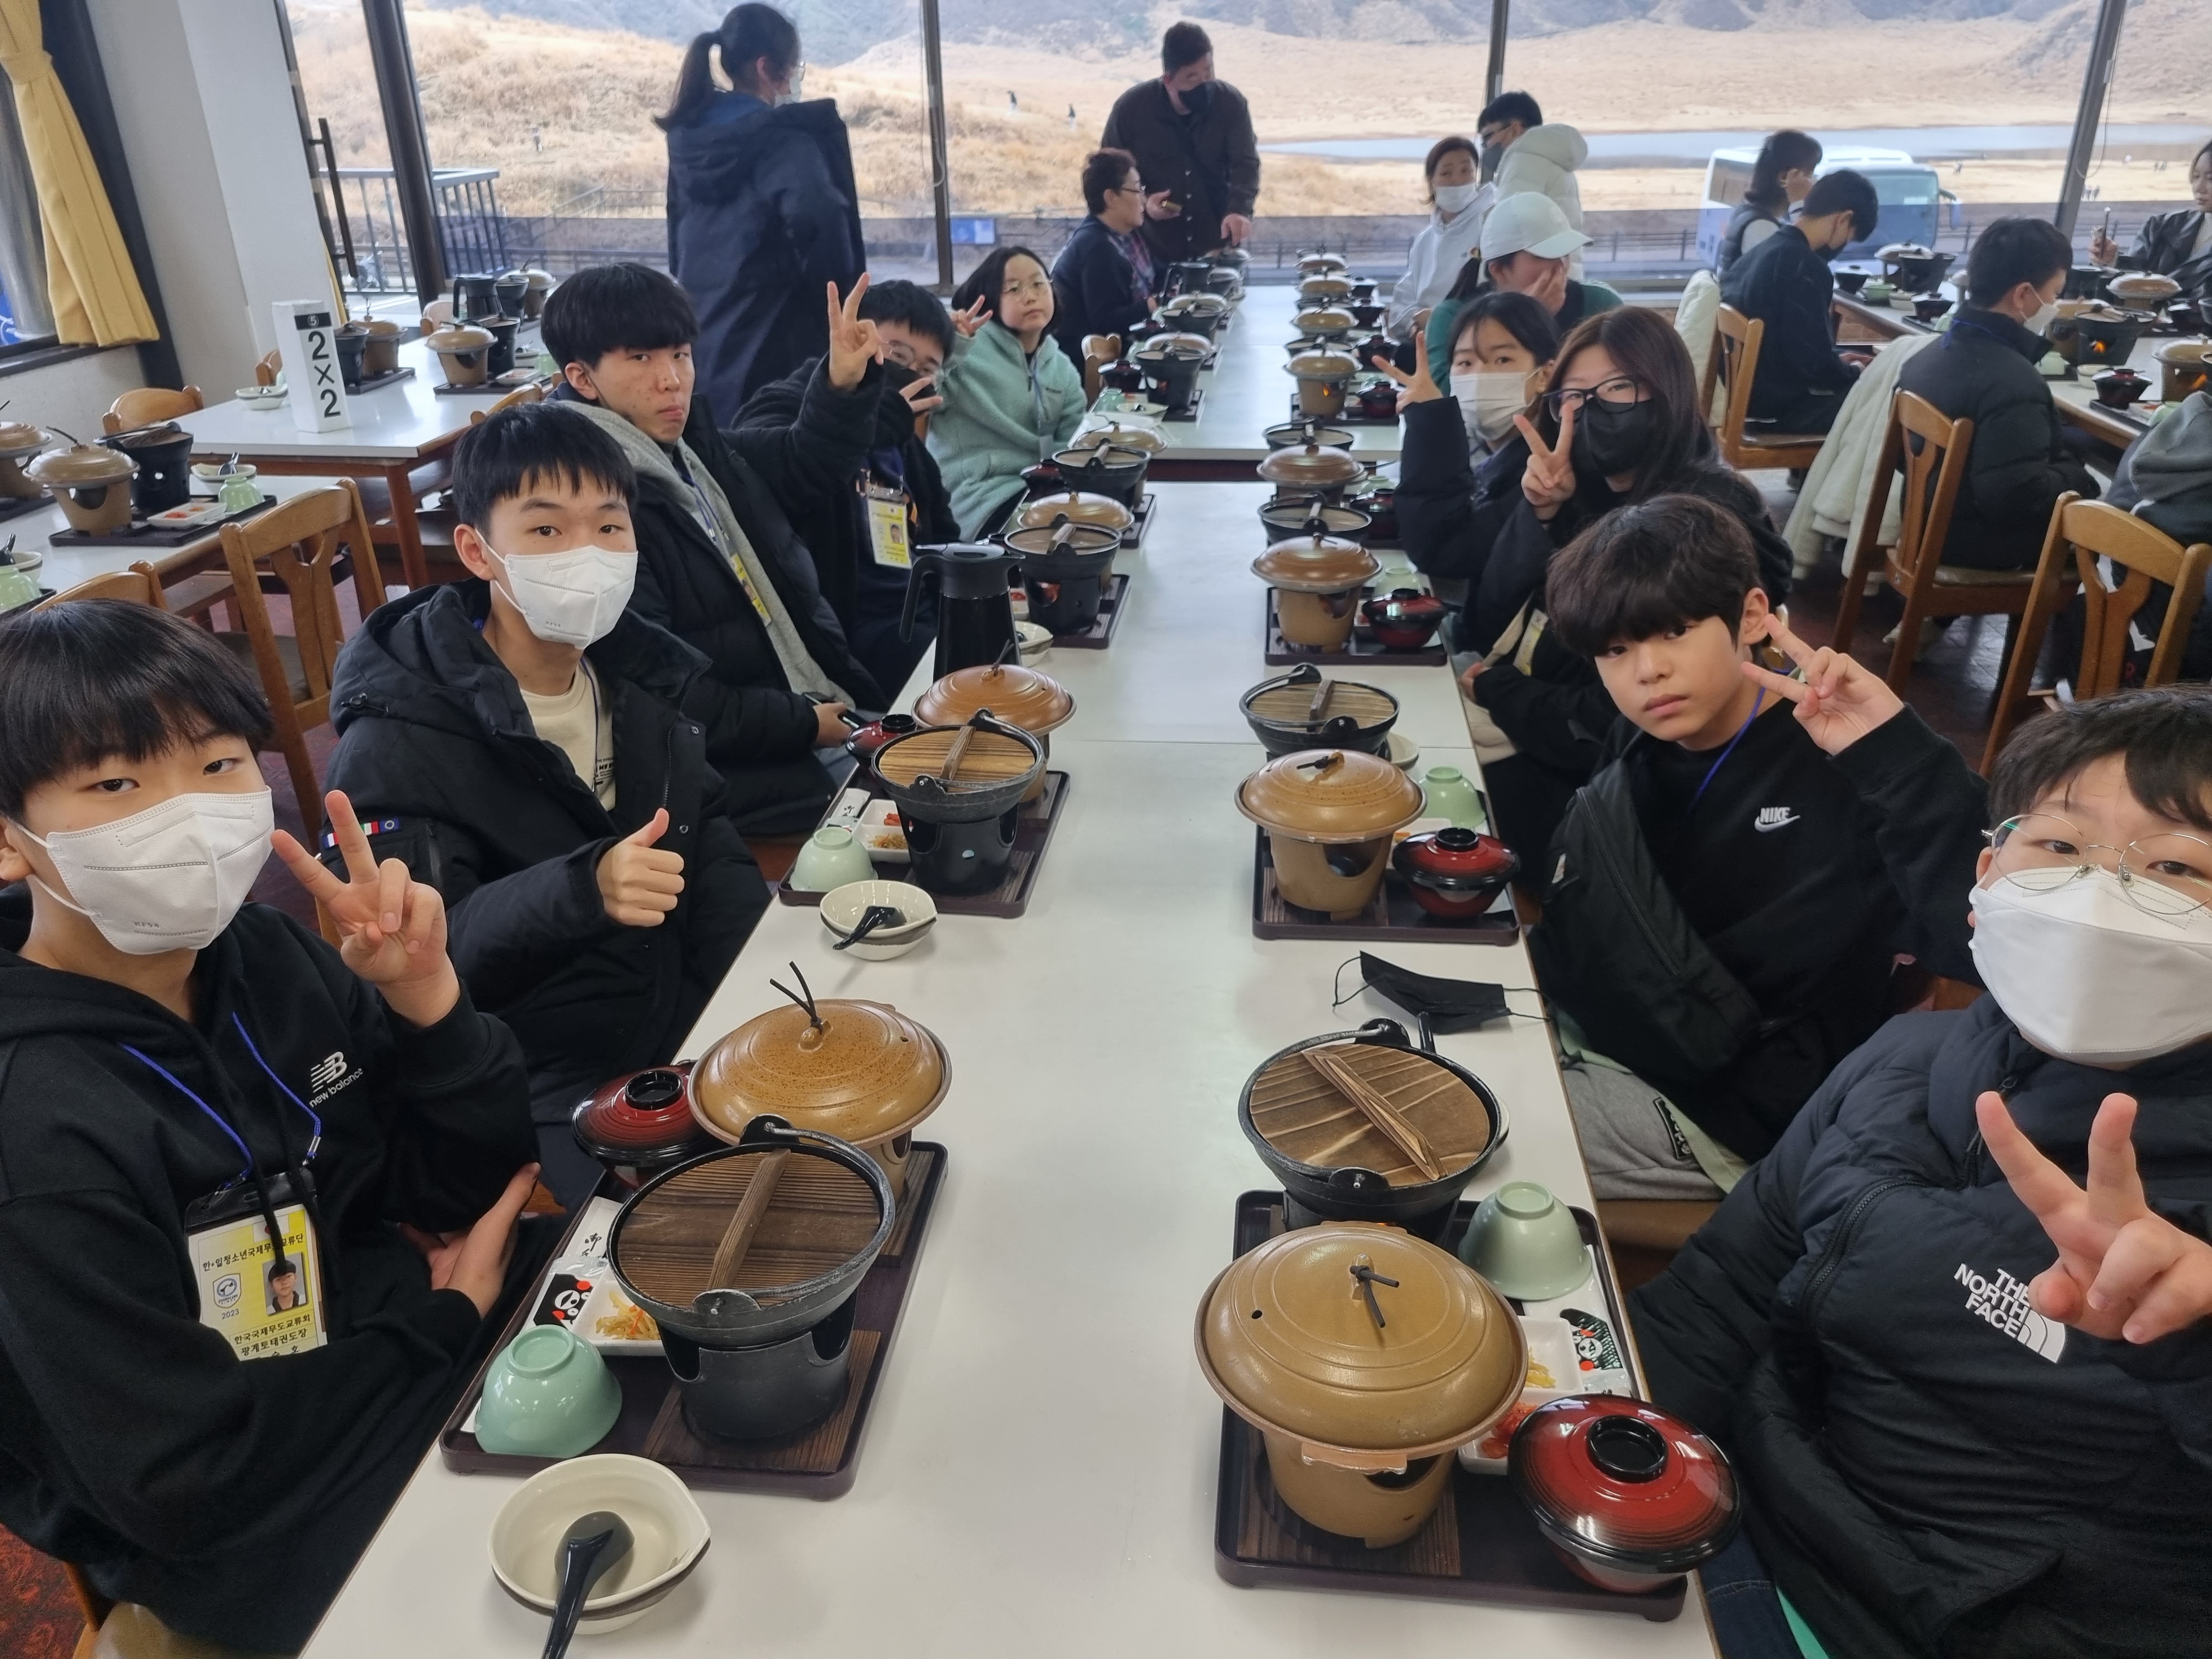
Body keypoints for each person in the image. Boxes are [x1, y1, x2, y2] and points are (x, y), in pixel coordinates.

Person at [0, 600, 542, 1653]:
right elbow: (185, 1476)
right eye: (116, 785)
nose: (189, 814)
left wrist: (427, 1000)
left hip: (386, 1353)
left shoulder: (271, 956)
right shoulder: (34, 1125)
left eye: (218, 764)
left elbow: (452, 1193)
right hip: (252, 1515)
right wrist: (440, 1326)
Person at [1634, 682, 2212, 1659]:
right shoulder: (1906, 1058)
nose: (2099, 900)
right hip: (1729, 1521)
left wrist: (2193, 1351)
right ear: (1985, 881)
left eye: (2173, 865)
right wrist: (1582, 1432)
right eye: (2060, 845)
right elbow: (1720, 1294)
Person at [324, 403, 772, 1205]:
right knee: (696, 1229)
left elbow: (707, 839)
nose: (586, 553)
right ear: (477, 551)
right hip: (538, 1074)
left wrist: (763, 990)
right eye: (545, 530)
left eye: (609, 526)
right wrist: (583, 887)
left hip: (675, 1021)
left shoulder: (638, 675)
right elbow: (425, 951)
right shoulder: (401, 736)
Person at [1532, 495, 1988, 1195]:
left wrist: (1901, 758)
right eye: (1615, 650)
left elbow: (1981, 939)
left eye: (1675, 631)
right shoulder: (1646, 733)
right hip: (1605, 1026)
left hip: (1728, 1112)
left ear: (1750, 616)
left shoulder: (1849, 767)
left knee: (1464, 1125)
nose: (1647, 671)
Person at [541, 262, 886, 834]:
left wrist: (842, 384)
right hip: (730, 771)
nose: (671, 379)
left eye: (680, 354)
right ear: (581, 377)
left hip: (801, 712)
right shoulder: (595, 511)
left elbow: (803, 464)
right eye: (640, 358)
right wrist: (803, 725)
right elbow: (665, 695)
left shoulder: (691, 454)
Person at [1454, 307, 1794, 865]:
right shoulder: (1586, 490)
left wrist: (1500, 692)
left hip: (1627, 782)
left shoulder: (1698, 524)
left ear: (1667, 391)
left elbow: (1621, 719)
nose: (1592, 410)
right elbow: (1485, 621)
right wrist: (1540, 513)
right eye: (1574, 396)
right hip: (1548, 729)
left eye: (1618, 388)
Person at [738, 278, 962, 698]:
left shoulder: (905, 440)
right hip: (847, 631)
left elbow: (944, 534)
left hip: (918, 610)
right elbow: (771, 469)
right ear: (852, 338)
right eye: (897, 355)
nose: (908, 373)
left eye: (925, 369)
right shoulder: (786, 405)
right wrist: (854, 416)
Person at [660, 3, 866, 415]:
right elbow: (822, 222)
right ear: (765, 68)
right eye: (792, 69)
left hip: (705, 343)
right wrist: (835, 309)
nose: (794, 81)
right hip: (775, 348)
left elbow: (677, 243)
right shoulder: (785, 142)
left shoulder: (690, 142)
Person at [1895, 216, 2101, 570]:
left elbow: (1904, 459)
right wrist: (2079, 478)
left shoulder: (1927, 356)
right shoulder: (2014, 381)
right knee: (2096, 530)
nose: (2055, 304)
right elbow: (2017, 499)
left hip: (1924, 526)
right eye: (2055, 293)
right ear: (2023, 295)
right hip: (1973, 546)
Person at [1386, 292, 1561, 607]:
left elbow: (1441, 549)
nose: (1480, 375)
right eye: (1465, 362)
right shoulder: (1486, 445)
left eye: (1502, 360)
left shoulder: (1546, 467)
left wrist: (1433, 424)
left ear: (1545, 375)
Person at [928, 246, 1088, 538]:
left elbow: (1074, 445)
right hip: (980, 501)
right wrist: (951, 349)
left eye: (1039, 284)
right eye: (1014, 289)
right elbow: (922, 395)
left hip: (1043, 493)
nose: (1031, 297)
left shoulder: (1061, 367)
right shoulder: (966, 351)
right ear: (990, 300)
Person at [1719, 167, 1881, 435]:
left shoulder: (1764, 251)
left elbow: (1801, 349)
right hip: (1778, 411)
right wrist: (1854, 371)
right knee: (1884, 398)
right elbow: (1815, 365)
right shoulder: (1805, 266)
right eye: (1850, 238)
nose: (1843, 246)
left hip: (1749, 399)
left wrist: (1839, 362)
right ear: (1844, 220)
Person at [1100, 21, 1260, 264]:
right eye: (1192, 77)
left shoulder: (1231, 104)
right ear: (1168, 80)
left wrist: (1239, 210)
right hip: (1152, 251)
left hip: (1217, 247)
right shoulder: (1131, 110)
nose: (1204, 83)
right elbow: (1108, 174)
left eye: (1208, 72)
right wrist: (1145, 203)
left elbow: (1245, 164)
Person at [1423, 193, 1622, 377]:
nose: (1560, 266)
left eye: (1565, 253)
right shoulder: (1450, 318)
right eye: (1544, 255)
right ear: (1499, 270)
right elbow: (1449, 394)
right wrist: (1530, 319)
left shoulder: (1599, 304)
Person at [1051, 148, 1160, 366]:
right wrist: (1150, 306)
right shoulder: (1097, 247)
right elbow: (1106, 323)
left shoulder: (1123, 235)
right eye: (1137, 189)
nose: (1143, 198)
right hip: (1089, 365)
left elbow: (1155, 272)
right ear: (1111, 198)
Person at [1384, 137, 1493, 349]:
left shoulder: (1490, 225)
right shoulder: (1426, 240)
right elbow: (1404, 298)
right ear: (1431, 182)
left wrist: (1438, 320)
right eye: (1446, 173)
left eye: (1466, 171)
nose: (1457, 180)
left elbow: (1492, 295)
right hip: (1424, 341)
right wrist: (1414, 321)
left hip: (1470, 342)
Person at [1479, 91, 1587, 278]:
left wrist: (1488, 282)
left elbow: (1508, 234)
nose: (1486, 146)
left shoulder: (1522, 160)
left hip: (1533, 279)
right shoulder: (1553, 158)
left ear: (1515, 129)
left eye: (1488, 136)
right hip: (1561, 274)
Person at [2089, 137, 2212, 298]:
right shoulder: (2161, 226)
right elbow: (2134, 278)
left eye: (2210, 179)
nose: (2199, 188)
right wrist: (2112, 260)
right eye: (2196, 177)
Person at [1715, 129, 1823, 279]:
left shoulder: (1746, 213)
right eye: (1809, 175)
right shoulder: (1761, 227)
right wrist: (1799, 206)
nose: (1813, 183)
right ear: (1785, 178)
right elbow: (1798, 274)